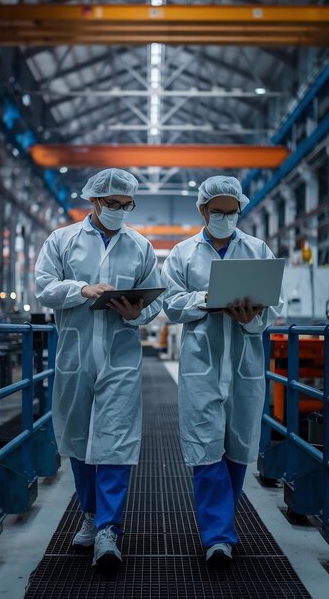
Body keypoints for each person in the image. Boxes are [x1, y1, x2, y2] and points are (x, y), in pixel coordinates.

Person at [35, 168, 162, 568]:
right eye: (113, 205)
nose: (120, 212)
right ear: (94, 202)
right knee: (77, 438)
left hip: (120, 357)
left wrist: (136, 312)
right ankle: (89, 515)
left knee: (115, 441)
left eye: (127, 206)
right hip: (74, 355)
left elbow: (156, 302)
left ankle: (109, 528)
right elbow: (43, 286)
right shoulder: (62, 240)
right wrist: (81, 289)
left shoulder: (140, 246)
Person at [161, 175, 283, 568]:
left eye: (233, 214)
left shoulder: (257, 248)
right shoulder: (182, 253)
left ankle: (222, 524)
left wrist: (253, 316)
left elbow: (273, 307)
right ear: (202, 210)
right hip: (203, 365)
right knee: (205, 447)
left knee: (238, 447)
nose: (227, 220)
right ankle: (217, 536)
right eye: (219, 213)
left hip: (245, 363)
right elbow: (171, 304)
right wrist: (207, 298)